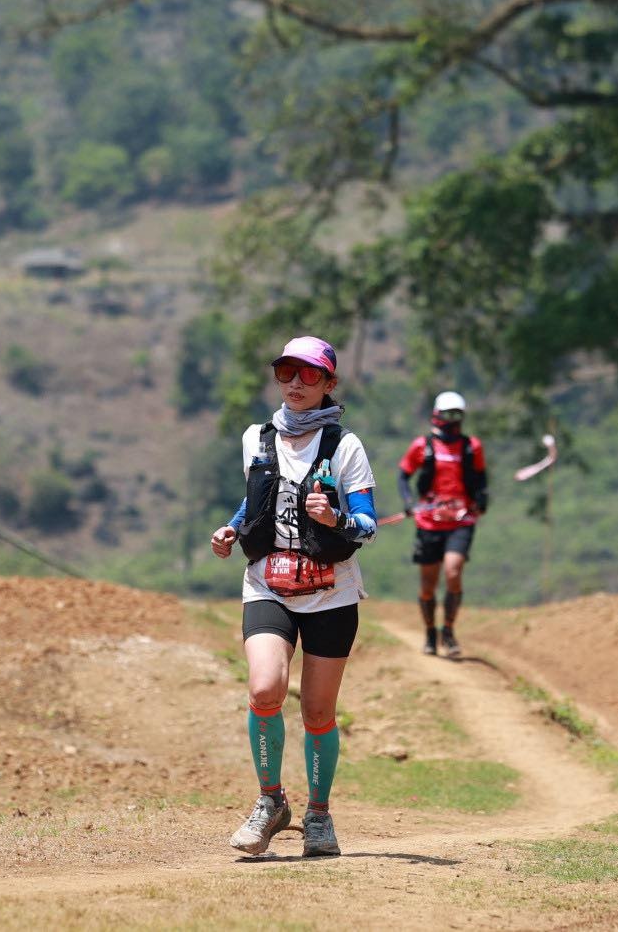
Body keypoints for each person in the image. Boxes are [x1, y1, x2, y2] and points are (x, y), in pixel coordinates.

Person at [210, 335, 377, 858]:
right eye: (286, 372)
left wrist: (339, 519)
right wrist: (232, 530)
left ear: (329, 383)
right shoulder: (256, 439)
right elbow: (255, 501)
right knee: (264, 689)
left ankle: (319, 816)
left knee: (319, 712)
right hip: (268, 582)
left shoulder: (345, 446)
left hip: (331, 590)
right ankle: (270, 802)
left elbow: (368, 525)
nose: (295, 384)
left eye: (309, 375)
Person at [398, 390, 487, 659]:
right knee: (428, 583)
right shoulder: (421, 447)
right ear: (437, 415)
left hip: (461, 520)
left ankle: (448, 629)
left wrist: (481, 501)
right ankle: (429, 633)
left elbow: (481, 479)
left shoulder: (472, 447)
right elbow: (404, 476)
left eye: (457, 415)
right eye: (448, 415)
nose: (453, 420)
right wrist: (408, 502)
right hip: (429, 521)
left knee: (453, 571)